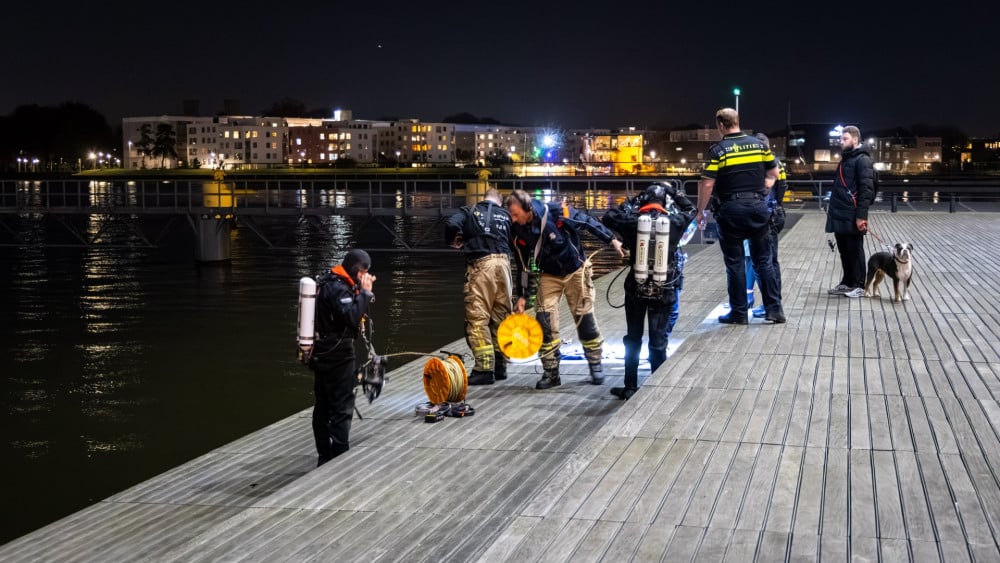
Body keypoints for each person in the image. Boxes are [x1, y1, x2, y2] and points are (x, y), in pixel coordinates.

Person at [505, 189, 624, 389]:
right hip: (548, 274)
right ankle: (551, 372)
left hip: (575, 269)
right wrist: (523, 295)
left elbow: (586, 221)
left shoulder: (555, 211)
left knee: (584, 317)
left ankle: (595, 363)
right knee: (543, 319)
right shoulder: (517, 230)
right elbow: (522, 263)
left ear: (528, 209)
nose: (513, 219)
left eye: (516, 214)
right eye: (511, 215)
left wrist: (611, 239)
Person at [602, 182, 696, 400]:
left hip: (636, 287)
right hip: (664, 288)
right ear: (665, 203)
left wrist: (633, 199)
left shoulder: (631, 222)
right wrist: (673, 191)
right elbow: (691, 210)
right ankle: (657, 391)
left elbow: (609, 216)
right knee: (658, 341)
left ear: (643, 202)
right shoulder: (674, 221)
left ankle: (630, 387)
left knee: (633, 338)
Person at [696, 107, 785, 324]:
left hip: (731, 210)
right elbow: (774, 173)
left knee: (735, 263)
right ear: (738, 121)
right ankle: (774, 310)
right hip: (757, 208)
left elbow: (707, 183)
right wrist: (762, 188)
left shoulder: (719, 150)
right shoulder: (759, 145)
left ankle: (738, 312)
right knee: (763, 261)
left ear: (720, 125)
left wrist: (701, 211)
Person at [308, 249, 375, 466]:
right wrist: (365, 293)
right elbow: (351, 317)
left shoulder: (329, 281)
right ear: (357, 270)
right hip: (338, 355)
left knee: (323, 404)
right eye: (364, 272)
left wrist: (361, 293)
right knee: (341, 406)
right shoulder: (338, 288)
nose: (366, 276)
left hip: (321, 353)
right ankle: (339, 457)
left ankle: (324, 455)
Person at [444, 188, 513, 386]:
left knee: (477, 317)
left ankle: (484, 369)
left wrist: (455, 240)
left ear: (484, 199)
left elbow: (451, 224)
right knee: (501, 316)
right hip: (505, 265)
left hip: (482, 265)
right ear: (500, 202)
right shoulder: (506, 215)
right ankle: (500, 366)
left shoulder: (470, 210)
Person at [826, 125, 875, 298]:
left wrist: (861, 216)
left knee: (855, 250)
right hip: (840, 213)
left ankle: (859, 285)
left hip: (852, 214)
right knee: (844, 250)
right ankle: (847, 282)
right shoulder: (845, 159)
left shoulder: (862, 160)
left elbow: (867, 189)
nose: (841, 142)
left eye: (844, 139)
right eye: (841, 139)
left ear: (855, 140)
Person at [753, 132, 788, 317]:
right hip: (777, 212)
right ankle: (774, 302)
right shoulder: (777, 162)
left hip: (768, 215)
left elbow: (766, 189)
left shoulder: (767, 163)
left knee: (767, 261)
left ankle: (772, 305)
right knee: (772, 261)